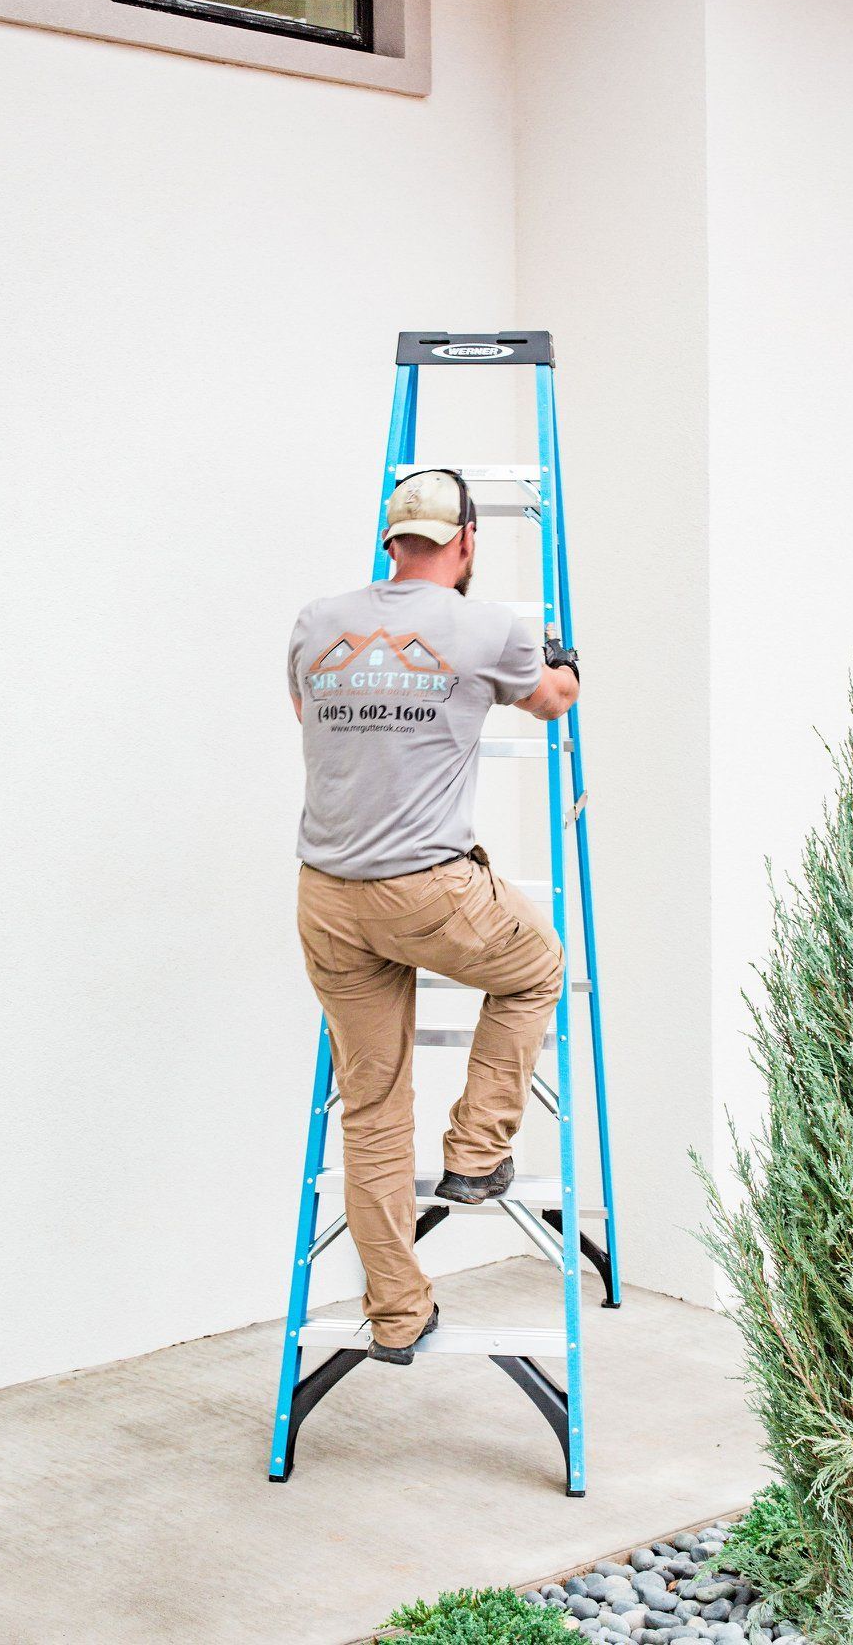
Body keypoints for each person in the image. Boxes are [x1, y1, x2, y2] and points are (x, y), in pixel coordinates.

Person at [286, 468, 580, 1364]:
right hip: (426, 889)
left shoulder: (317, 621)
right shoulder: (490, 625)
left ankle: (399, 1316)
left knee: (372, 1110)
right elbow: (551, 702)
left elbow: (305, 710)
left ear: (392, 539)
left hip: (328, 895)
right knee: (537, 968)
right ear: (466, 543)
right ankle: (477, 1150)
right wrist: (563, 660)